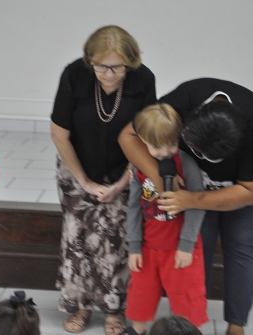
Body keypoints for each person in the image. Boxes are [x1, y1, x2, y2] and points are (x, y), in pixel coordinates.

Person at [119, 78, 253, 335]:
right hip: (191, 187)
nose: (198, 157)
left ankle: (236, 325)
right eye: (193, 149)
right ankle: (189, 322)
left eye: (210, 157)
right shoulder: (185, 99)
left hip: (246, 187)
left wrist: (191, 199)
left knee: (240, 242)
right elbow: (130, 135)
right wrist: (161, 180)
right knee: (199, 242)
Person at [50, 25, 156, 335]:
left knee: (117, 236)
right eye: (101, 66)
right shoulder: (74, 75)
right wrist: (84, 181)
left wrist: (124, 181)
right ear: (90, 60)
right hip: (76, 166)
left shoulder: (143, 78)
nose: (109, 74)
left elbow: (147, 136)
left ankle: (114, 309)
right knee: (78, 235)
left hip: (126, 167)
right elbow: (59, 134)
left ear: (130, 62)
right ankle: (81, 305)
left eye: (117, 67)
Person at [124, 104, 208, 335]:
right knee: (140, 296)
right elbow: (133, 207)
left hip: (179, 250)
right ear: (142, 140)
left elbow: (197, 206)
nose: (166, 152)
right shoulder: (139, 165)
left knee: (187, 301)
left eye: (172, 144)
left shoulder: (186, 163)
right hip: (147, 250)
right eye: (157, 147)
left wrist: (186, 246)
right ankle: (136, 331)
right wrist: (134, 246)